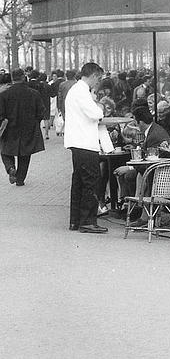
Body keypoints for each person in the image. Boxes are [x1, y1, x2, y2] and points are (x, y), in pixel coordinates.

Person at [64, 62, 108, 233]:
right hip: (85, 143)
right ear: (94, 75)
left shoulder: (76, 90)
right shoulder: (82, 91)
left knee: (79, 183)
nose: (98, 83)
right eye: (99, 79)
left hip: (77, 143)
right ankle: (88, 221)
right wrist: (99, 106)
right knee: (91, 182)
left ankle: (76, 220)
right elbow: (96, 114)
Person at [112, 106, 169, 216]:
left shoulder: (154, 135)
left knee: (128, 175)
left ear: (141, 122)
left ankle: (135, 207)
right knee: (126, 174)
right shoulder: (153, 129)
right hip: (154, 167)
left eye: (136, 123)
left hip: (157, 171)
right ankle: (129, 205)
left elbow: (150, 160)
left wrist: (129, 167)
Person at [0, 68, 46, 186]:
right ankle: (20, 179)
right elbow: (41, 112)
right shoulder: (34, 93)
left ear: (12, 78)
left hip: (10, 128)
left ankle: (10, 168)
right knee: (25, 154)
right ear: (23, 77)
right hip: (28, 128)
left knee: (5, 150)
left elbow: (1, 113)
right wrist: (35, 122)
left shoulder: (4, 94)